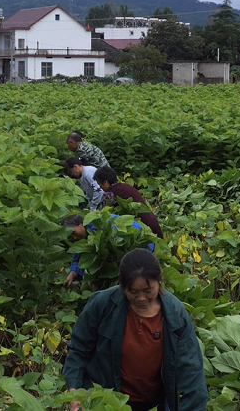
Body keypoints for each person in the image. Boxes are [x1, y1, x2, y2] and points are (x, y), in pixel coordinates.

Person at [62, 248, 208, 411]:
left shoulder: (175, 315)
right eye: (133, 291)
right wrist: (74, 393)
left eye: (148, 291)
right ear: (122, 286)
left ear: (159, 282)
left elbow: (192, 374)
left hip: (152, 403)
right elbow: (79, 350)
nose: (141, 298)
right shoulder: (103, 304)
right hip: (104, 400)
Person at [62, 214, 154, 287]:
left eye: (73, 232)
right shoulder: (86, 236)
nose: (74, 237)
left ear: (81, 224)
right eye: (70, 237)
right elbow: (79, 255)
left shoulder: (99, 226)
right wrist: (73, 272)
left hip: (142, 244)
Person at [93, 166, 164, 239]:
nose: (100, 187)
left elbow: (107, 215)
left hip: (142, 230)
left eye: (99, 184)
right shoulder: (126, 186)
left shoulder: (110, 194)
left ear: (105, 182)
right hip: (152, 222)